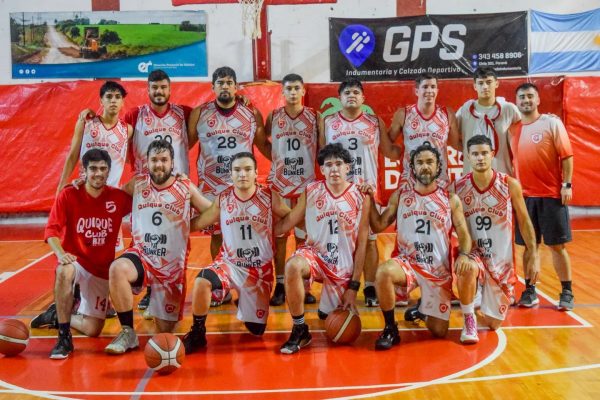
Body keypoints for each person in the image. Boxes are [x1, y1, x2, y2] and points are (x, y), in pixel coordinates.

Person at [80, 70, 193, 314]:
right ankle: (140, 286)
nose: (159, 91)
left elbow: (197, 129)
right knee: (144, 236)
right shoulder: (135, 115)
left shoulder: (184, 113)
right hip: (144, 189)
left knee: (175, 240)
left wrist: (242, 100)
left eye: (163, 87)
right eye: (154, 87)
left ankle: (164, 287)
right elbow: (116, 133)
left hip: (175, 189)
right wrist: (91, 115)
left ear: (170, 89)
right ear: (148, 89)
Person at [104, 139, 211, 354]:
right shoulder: (138, 184)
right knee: (117, 268)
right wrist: (83, 187)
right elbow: (110, 199)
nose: (159, 165)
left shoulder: (185, 187)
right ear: (147, 162)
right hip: (142, 255)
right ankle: (128, 332)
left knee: (164, 332)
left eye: (164, 160)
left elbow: (211, 211)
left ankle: (156, 304)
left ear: (172, 163)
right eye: (154, 160)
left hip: (170, 268)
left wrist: (187, 226)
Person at [369, 142, 475, 350]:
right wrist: (369, 200)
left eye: (429, 162)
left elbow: (464, 234)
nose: (425, 167)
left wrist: (464, 254)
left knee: (439, 331)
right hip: (408, 264)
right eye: (420, 163)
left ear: (438, 167)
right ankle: (390, 328)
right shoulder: (401, 196)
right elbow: (379, 225)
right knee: (384, 272)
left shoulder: (450, 199)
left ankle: (422, 310)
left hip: (437, 271)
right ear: (412, 167)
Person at [182, 152, 290, 353]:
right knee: (202, 280)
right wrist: (174, 228)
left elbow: (290, 217)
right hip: (230, 264)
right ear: (230, 174)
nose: (242, 174)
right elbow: (202, 221)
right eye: (237, 170)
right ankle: (198, 332)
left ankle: (244, 301)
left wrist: (310, 226)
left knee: (256, 330)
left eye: (247, 169)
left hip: (258, 272)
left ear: (256, 172)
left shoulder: (269, 196)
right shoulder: (223, 198)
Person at [31, 149, 132, 359]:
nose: (98, 173)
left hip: (101, 270)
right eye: (93, 168)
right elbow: (51, 231)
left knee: (93, 329)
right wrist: (61, 254)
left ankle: (57, 316)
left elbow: (144, 194)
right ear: (84, 171)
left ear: (109, 171)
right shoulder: (69, 195)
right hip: (76, 261)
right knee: (64, 271)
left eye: (103, 169)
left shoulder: (117, 198)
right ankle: (63, 337)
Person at [275, 143, 370, 354]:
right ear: (322, 169)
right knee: (292, 266)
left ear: (348, 167)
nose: (334, 169)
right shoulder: (311, 190)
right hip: (315, 256)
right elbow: (288, 221)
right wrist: (265, 231)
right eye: (329, 165)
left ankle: (326, 307)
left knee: (336, 325)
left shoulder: (360, 195)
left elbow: (362, 243)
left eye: (339, 164)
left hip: (342, 266)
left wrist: (354, 288)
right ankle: (299, 328)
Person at [188, 66, 271, 275]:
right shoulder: (200, 113)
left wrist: (282, 163)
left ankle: (246, 275)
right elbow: (185, 145)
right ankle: (220, 277)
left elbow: (263, 144)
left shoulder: (251, 113)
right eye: (220, 83)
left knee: (245, 232)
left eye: (229, 83)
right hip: (211, 186)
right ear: (213, 87)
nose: (225, 86)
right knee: (217, 235)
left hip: (241, 184)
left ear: (236, 87)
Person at [453, 135, 538, 333]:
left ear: (492, 155)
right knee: (467, 268)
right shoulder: (458, 187)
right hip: (474, 254)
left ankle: (481, 295)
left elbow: (525, 221)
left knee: (493, 324)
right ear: (468, 157)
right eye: (475, 154)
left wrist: (533, 254)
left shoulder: (509, 184)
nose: (480, 158)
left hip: (500, 262)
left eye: (484, 153)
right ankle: (469, 314)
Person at [319, 78, 385, 307]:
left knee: (370, 241)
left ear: (363, 98)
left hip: (366, 189)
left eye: (356, 92)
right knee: (338, 239)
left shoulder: (374, 122)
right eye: (347, 92)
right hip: (338, 190)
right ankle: (339, 283)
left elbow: (389, 150)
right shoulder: (328, 122)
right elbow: (322, 155)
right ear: (339, 98)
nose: (352, 95)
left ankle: (370, 286)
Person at [510, 83, 575, 310]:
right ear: (516, 102)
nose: (526, 100)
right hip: (524, 198)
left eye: (530, 96)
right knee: (529, 247)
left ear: (538, 100)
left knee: (557, 246)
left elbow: (566, 156)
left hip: (551, 196)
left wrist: (566, 185)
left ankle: (567, 291)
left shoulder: (551, 123)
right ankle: (530, 290)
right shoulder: (512, 129)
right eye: (522, 97)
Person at [266, 73, 319, 307]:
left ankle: (304, 285)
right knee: (279, 238)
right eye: (289, 88)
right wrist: (277, 161)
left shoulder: (315, 117)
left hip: (305, 186)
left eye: (297, 88)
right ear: (283, 92)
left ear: (303, 90)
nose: (293, 92)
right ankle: (279, 285)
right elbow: (262, 142)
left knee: (303, 237)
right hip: (280, 185)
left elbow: (323, 148)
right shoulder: (274, 116)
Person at [383, 73, 460, 190]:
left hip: (439, 179)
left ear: (437, 91)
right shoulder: (403, 114)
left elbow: (456, 144)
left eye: (433, 87)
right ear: (416, 91)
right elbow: (387, 144)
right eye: (425, 87)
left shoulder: (447, 114)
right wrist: (401, 153)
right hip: (410, 180)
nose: (429, 90)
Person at [58, 81, 132, 194]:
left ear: (122, 102)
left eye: (117, 97)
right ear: (101, 101)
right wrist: (61, 185)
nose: (113, 100)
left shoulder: (127, 129)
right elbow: (73, 155)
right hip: (87, 190)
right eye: (109, 96)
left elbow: (130, 158)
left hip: (111, 193)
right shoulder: (86, 122)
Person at [456, 67, 520, 175]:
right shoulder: (465, 110)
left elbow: (524, 134)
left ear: (496, 83)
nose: (485, 86)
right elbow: (451, 136)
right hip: (472, 175)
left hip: (502, 173)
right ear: (475, 86)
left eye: (489, 82)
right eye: (480, 83)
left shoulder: (508, 109)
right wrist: (468, 150)